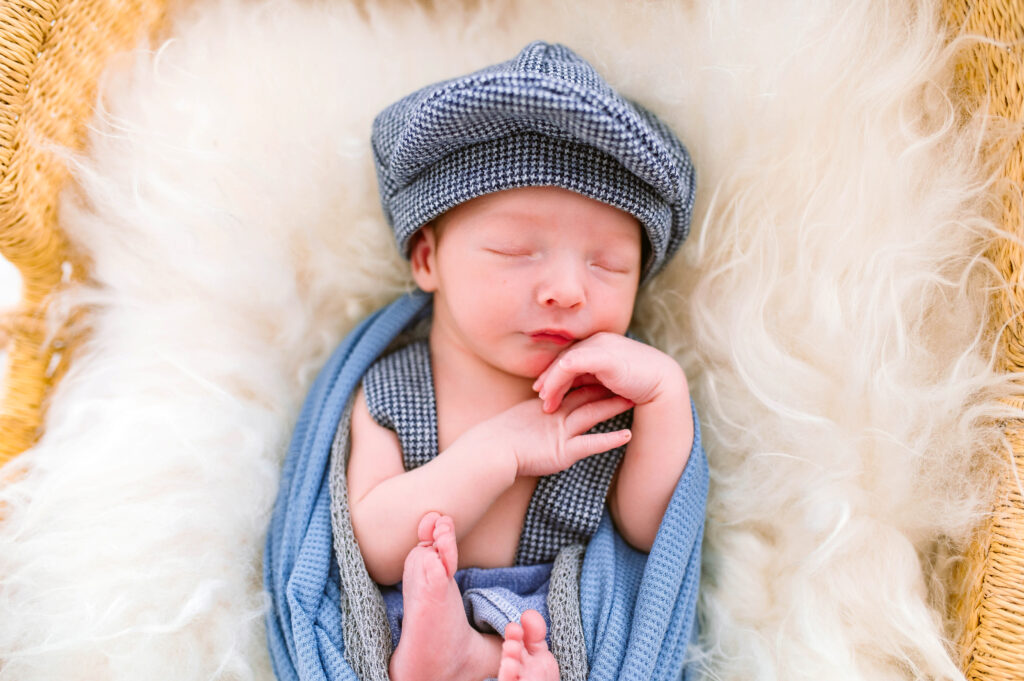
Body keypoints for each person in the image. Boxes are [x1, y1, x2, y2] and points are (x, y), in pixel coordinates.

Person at [342, 40, 699, 681]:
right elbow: (370, 545)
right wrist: (496, 452)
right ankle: (452, 654)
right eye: (516, 250)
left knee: (550, 650)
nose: (568, 289)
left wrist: (665, 396)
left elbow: (652, 533)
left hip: (550, 631)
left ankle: (486, 660)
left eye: (607, 264)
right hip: (416, 611)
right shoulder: (397, 388)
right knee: (419, 608)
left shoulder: (600, 402)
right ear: (427, 259)